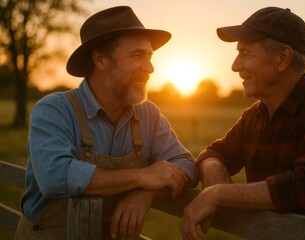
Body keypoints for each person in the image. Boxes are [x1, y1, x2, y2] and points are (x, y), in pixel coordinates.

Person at [15, 6, 198, 240]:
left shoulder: (148, 115)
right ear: (101, 60)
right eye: (137, 55)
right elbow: (55, 176)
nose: (150, 68)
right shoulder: (53, 110)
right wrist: (141, 177)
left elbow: (186, 164)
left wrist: (145, 193)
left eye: (149, 56)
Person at [181, 6, 305, 240]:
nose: (235, 65)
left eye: (245, 53)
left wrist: (219, 194)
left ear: (282, 57)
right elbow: (214, 152)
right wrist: (213, 169)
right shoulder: (254, 116)